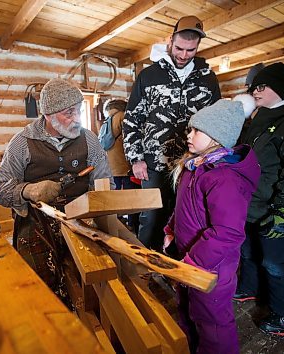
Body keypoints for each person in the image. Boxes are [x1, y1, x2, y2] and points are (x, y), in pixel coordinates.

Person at [0, 78, 112, 298]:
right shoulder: (22, 143)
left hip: (82, 215)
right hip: (37, 218)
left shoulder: (90, 140)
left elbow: (105, 184)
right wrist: (27, 190)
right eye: (68, 113)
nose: (77, 119)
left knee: (99, 273)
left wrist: (98, 212)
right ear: (47, 115)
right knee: (38, 285)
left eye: (78, 111)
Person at [164, 95, 260, 354]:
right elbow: (184, 206)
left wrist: (196, 263)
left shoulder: (224, 178)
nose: (189, 134)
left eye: (197, 130)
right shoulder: (194, 167)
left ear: (217, 137)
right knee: (187, 311)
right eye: (191, 128)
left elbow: (227, 232)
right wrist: (172, 229)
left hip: (212, 269)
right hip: (190, 260)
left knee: (213, 324)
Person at [123, 15, 221, 251]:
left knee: (187, 215)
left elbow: (216, 121)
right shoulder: (149, 76)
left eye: (191, 50)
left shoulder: (208, 79)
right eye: (179, 48)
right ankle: (146, 264)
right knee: (152, 217)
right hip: (154, 163)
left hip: (192, 162)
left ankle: (177, 266)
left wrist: (211, 158)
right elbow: (131, 119)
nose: (183, 54)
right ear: (170, 40)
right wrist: (136, 158)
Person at [234, 63, 284, 335]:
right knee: (248, 250)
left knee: (276, 261)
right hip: (252, 201)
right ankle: (250, 287)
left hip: (275, 205)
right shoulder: (261, 116)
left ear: (278, 88)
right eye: (253, 86)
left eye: (260, 86)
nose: (253, 91)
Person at [103, 98, 140, 233]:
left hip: (112, 165)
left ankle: (116, 221)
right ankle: (131, 223)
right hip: (124, 165)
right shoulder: (123, 117)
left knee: (115, 194)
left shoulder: (108, 119)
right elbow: (130, 139)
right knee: (130, 195)